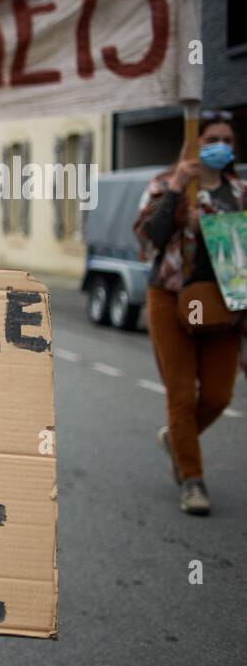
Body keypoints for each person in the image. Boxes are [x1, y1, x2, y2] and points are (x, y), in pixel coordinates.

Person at [135, 115, 245, 516]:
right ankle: (192, 480)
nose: (220, 145)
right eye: (211, 139)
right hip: (169, 296)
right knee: (181, 396)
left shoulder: (240, 192)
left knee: (218, 395)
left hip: (223, 302)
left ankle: (176, 440)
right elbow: (149, 239)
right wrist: (178, 190)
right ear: (194, 143)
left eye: (227, 139)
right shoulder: (166, 185)